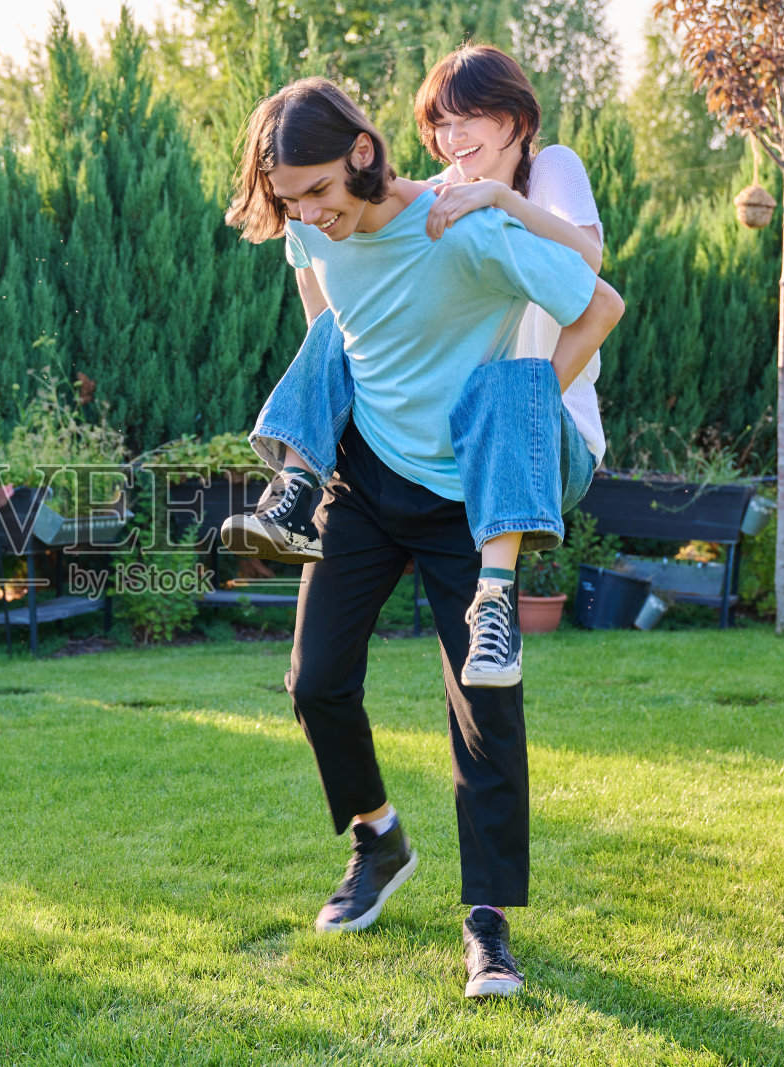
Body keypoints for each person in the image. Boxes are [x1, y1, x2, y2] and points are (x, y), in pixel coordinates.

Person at [222, 74, 624, 997]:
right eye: (291, 199)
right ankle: (378, 835)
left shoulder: (464, 227)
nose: (310, 214)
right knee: (315, 680)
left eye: (320, 190)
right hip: (365, 481)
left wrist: (521, 404)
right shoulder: (305, 228)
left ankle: (487, 922)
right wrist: (332, 428)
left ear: (363, 154)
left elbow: (599, 306)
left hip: (463, 500)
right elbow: (333, 327)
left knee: (484, 705)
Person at [223, 44, 608, 691]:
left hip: (548, 437)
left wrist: (501, 201)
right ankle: (294, 486)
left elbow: (591, 263)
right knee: (336, 336)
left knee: (508, 385)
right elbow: (340, 289)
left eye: (469, 119)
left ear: (513, 119)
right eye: (440, 125)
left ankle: (495, 599)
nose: (452, 138)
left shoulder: (549, 171)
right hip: (468, 446)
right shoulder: (440, 204)